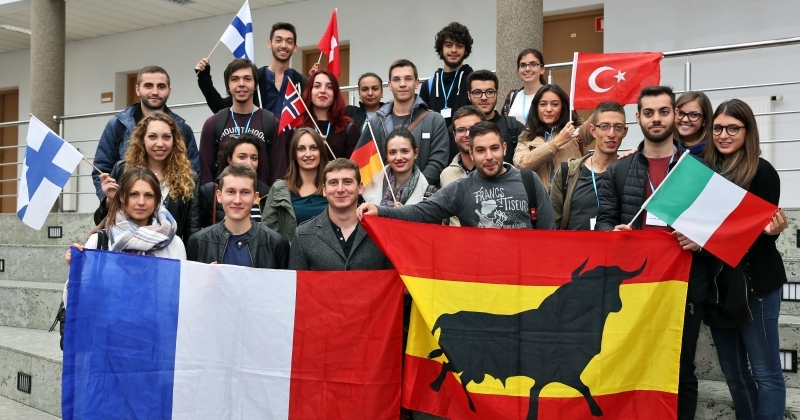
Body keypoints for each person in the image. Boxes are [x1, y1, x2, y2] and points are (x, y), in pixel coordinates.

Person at [595, 86, 710, 420]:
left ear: (675, 115)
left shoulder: (698, 168)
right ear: (639, 118)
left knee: (680, 370)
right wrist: (612, 235)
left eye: (663, 111)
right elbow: (603, 222)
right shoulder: (618, 170)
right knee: (627, 366)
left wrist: (699, 240)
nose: (656, 118)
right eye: (649, 112)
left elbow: (714, 228)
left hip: (682, 286)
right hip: (633, 289)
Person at [703, 99, 789, 420]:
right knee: (735, 377)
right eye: (718, 128)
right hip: (718, 288)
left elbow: (763, 233)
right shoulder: (705, 173)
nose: (724, 135)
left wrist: (770, 232)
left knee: (767, 375)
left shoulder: (762, 172)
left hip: (756, 285)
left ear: (748, 131)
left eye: (733, 128)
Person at [358, 121, 554, 229]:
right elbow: (421, 212)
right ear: (471, 153)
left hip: (526, 280)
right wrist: (380, 210)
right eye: (480, 150)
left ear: (504, 148)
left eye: (494, 148)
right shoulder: (461, 189)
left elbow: (548, 234)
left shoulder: (529, 181)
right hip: (483, 282)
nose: (489, 157)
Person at [93, 66, 200, 200]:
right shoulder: (117, 125)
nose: (155, 91)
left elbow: (194, 173)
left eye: (161, 86)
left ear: (169, 91)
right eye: (148, 86)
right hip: (127, 211)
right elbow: (101, 170)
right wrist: (110, 201)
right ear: (137, 89)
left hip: (172, 212)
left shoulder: (182, 129)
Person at [95, 112, 199, 241]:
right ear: (142, 140)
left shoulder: (188, 178)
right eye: (152, 137)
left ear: (175, 140)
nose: (160, 143)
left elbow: (192, 229)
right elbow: (101, 221)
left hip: (168, 254)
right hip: (125, 252)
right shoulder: (123, 169)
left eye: (166, 137)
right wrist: (109, 201)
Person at [288, 158, 392, 270]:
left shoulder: (382, 232)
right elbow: (296, 285)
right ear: (324, 190)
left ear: (360, 188)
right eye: (333, 183)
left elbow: (394, 282)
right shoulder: (303, 235)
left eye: (347, 182)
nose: (340, 189)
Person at [357, 59, 448, 186]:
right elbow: (365, 163)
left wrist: (412, 189)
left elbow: (437, 163)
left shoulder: (434, 120)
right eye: (396, 79)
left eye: (408, 78)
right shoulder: (375, 123)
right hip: (384, 199)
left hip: (423, 200)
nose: (402, 84)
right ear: (389, 85)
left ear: (416, 83)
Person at [69, 166, 186, 263]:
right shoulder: (98, 241)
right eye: (134, 194)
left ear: (156, 200)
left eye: (148, 195)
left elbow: (181, 289)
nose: (141, 202)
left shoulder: (175, 244)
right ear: (121, 197)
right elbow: (83, 287)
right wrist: (77, 267)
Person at [197, 58, 285, 186]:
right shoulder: (213, 124)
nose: (241, 84)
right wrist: (212, 203)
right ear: (228, 86)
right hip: (224, 203)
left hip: (262, 203)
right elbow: (205, 174)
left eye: (247, 79)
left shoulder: (271, 122)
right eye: (235, 79)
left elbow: (279, 172)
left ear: (255, 85)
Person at [195, 22, 308, 117]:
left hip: (291, 143)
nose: (283, 45)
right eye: (278, 40)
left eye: (289, 42)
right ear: (269, 44)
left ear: (295, 48)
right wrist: (204, 78)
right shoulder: (254, 78)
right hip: (257, 142)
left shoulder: (303, 83)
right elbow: (220, 107)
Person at [187, 164, 289, 268]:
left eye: (245, 192)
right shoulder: (198, 242)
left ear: (255, 197)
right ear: (219, 196)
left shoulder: (276, 244)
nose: (237, 200)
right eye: (231, 192)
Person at [550, 101, 627, 230]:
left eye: (618, 127)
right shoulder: (568, 173)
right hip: (574, 249)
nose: (611, 134)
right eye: (604, 126)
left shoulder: (630, 174)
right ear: (592, 130)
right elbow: (551, 226)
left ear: (625, 132)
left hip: (613, 248)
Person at [262, 128, 330, 243]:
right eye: (301, 149)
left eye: (313, 148)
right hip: (291, 258)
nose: (308, 154)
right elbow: (268, 234)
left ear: (321, 152)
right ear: (294, 154)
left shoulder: (334, 188)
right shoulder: (279, 189)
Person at [513, 84, 582, 187]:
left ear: (562, 108)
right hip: (540, 199)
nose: (549, 109)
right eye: (543, 104)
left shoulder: (575, 130)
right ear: (536, 108)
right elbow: (522, 165)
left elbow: (596, 122)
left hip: (570, 199)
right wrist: (556, 143)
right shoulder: (526, 137)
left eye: (555, 104)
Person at [197, 134, 270, 228]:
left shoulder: (267, 193)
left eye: (254, 158)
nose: (249, 162)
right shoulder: (209, 191)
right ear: (229, 160)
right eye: (242, 157)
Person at [419, 22, 474, 127]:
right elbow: (422, 122)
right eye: (448, 45)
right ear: (441, 49)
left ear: (466, 51)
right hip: (436, 143)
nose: (454, 50)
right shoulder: (429, 85)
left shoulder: (474, 82)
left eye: (459, 45)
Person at [296, 69, 359, 159]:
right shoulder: (296, 126)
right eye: (317, 86)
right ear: (309, 92)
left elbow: (353, 168)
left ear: (335, 94)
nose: (323, 91)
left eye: (329, 87)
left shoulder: (349, 129)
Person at [440, 106, 485, 226]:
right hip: (456, 243)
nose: (467, 134)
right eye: (461, 130)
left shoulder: (503, 171)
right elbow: (445, 220)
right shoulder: (446, 174)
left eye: (474, 129)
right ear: (454, 135)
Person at [362, 128, 431, 207]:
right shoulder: (368, 189)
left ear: (415, 153)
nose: (398, 157)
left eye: (405, 151)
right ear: (387, 156)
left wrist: (405, 214)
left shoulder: (429, 195)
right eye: (392, 152)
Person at [467, 70, 525, 163]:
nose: (484, 97)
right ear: (469, 95)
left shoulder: (515, 127)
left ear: (497, 94)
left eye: (489, 92)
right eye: (477, 92)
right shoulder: (460, 131)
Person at [501, 48, 547, 124]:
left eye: (533, 64)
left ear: (542, 69)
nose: (527, 69)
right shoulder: (512, 96)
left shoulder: (552, 95)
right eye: (523, 65)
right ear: (518, 71)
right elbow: (503, 125)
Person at [675, 91, 714, 157]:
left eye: (694, 115)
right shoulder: (663, 148)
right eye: (681, 113)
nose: (685, 120)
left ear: (705, 120)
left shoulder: (714, 154)